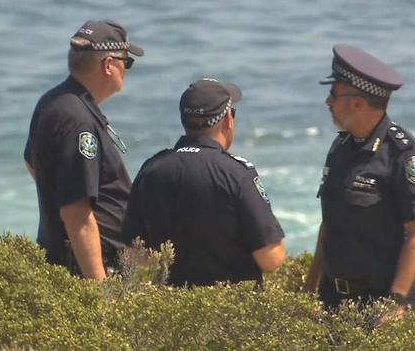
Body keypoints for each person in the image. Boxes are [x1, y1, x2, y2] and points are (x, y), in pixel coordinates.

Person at [304, 44, 415, 311]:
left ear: (357, 103)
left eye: (333, 94)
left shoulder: (403, 154)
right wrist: (308, 290)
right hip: (331, 300)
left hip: (379, 304)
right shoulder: (340, 148)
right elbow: (329, 226)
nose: (328, 102)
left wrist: (395, 303)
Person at [121, 78, 286, 287]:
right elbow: (271, 258)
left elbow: (135, 253)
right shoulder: (238, 174)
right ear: (227, 119)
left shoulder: (151, 170)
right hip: (232, 312)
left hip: (167, 311)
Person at [24, 20, 144, 280]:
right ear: (108, 65)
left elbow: (32, 163)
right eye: (127, 63)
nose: (126, 70)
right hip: (89, 268)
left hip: (63, 260)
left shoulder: (53, 101)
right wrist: (99, 292)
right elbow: (76, 214)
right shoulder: (79, 121)